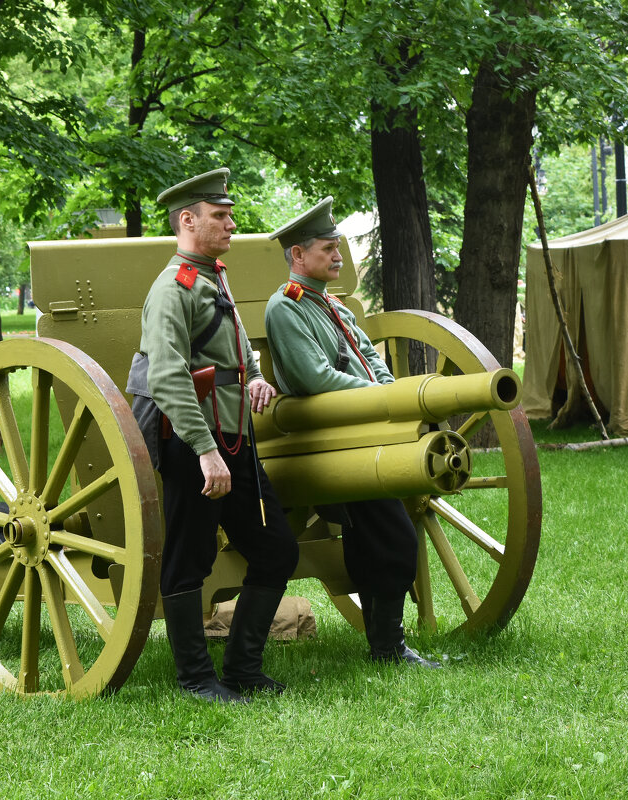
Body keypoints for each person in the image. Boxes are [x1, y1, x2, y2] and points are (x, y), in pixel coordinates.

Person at [130, 168, 299, 702]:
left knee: (276, 550)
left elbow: (233, 343)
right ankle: (196, 679)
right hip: (190, 441)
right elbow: (167, 375)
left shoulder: (213, 277)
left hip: (233, 438)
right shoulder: (171, 288)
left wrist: (255, 376)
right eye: (219, 216)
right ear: (188, 220)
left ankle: (243, 668)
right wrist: (205, 452)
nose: (231, 223)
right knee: (188, 558)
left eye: (229, 215)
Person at [264, 197, 441, 669]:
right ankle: (388, 649)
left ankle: (387, 647)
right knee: (393, 535)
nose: (338, 254)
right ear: (299, 256)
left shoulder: (334, 306)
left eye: (339, 244)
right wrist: (379, 398)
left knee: (385, 535)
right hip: (324, 442)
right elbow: (314, 379)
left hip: (362, 433)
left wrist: (392, 398)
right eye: (327, 247)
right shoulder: (287, 308)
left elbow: (374, 363)